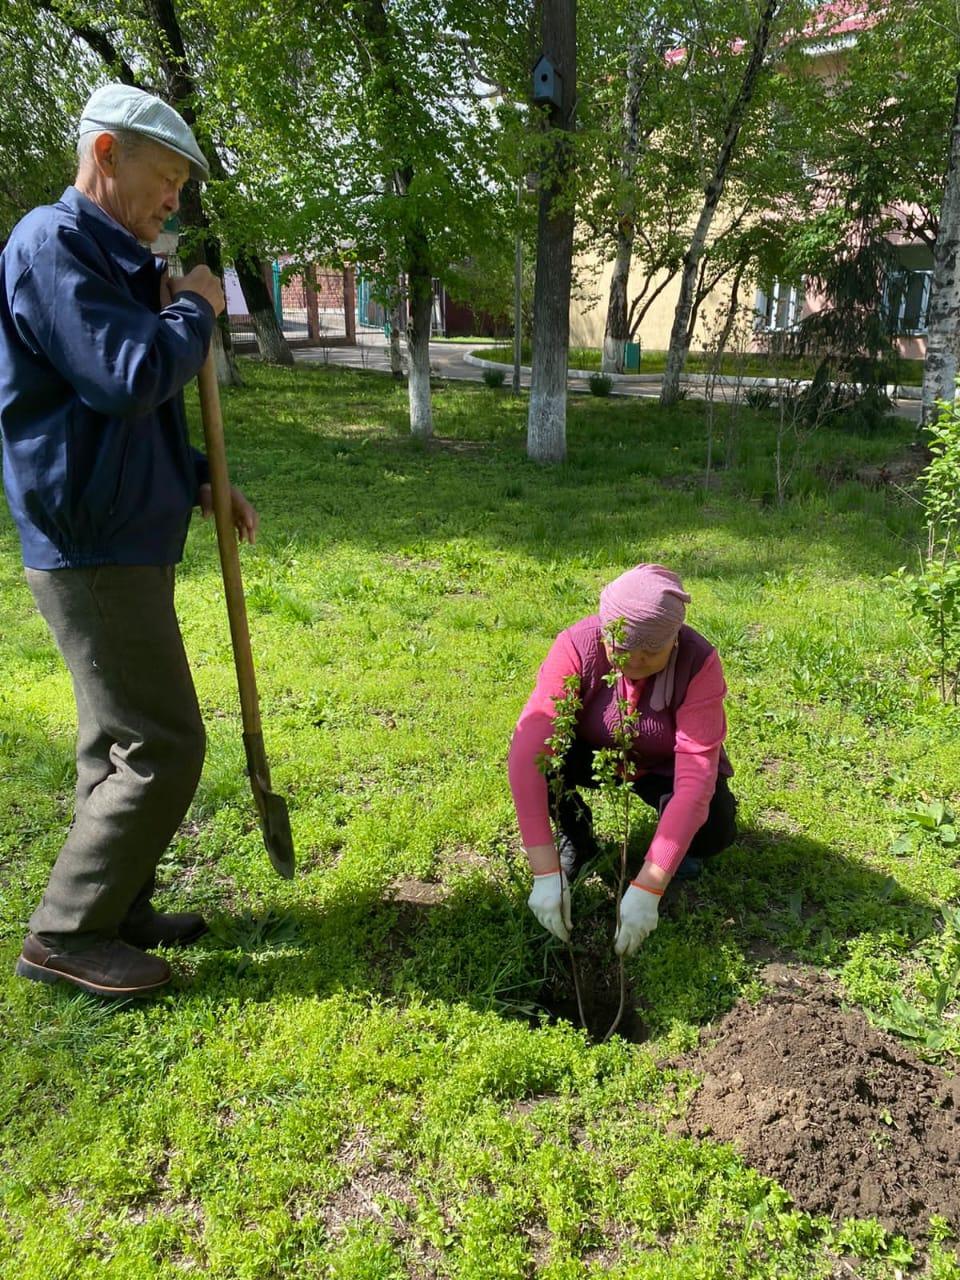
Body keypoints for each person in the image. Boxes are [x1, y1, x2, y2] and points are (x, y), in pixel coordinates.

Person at [0, 84, 259, 997]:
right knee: (164, 742)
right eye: (166, 177)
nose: (174, 199)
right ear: (106, 154)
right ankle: (67, 933)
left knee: (113, 739)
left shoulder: (112, 255)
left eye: (183, 183)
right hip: (92, 543)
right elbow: (129, 374)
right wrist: (194, 309)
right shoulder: (52, 246)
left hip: (116, 529)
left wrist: (197, 477)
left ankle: (118, 901)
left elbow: (121, 414)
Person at [508, 563, 737, 957]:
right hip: (591, 757)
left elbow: (696, 778)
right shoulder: (578, 646)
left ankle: (674, 855)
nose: (635, 662)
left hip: (663, 768)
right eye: (623, 648)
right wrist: (544, 873)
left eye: (651, 652)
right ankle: (576, 839)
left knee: (715, 826)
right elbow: (528, 754)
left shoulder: (699, 663)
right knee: (544, 768)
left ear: (674, 639)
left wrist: (651, 884)